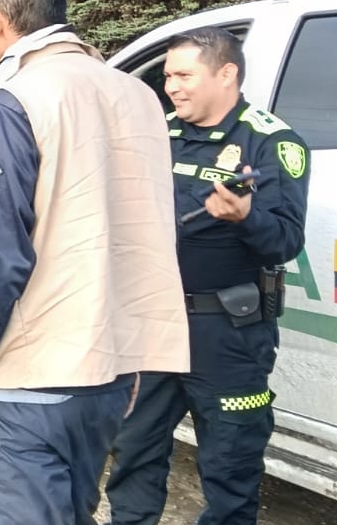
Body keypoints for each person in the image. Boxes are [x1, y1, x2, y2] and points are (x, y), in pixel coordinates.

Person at [0, 0, 188, 524]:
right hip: (110, 373)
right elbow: (145, 235)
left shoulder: (16, 99)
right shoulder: (136, 96)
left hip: (26, 381)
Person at [106, 27, 310, 525]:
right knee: (133, 453)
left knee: (230, 469)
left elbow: (286, 241)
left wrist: (246, 217)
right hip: (152, 325)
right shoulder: (157, 133)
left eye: (184, 75)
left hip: (227, 333)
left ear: (226, 74)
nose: (171, 86)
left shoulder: (271, 142)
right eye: (167, 76)